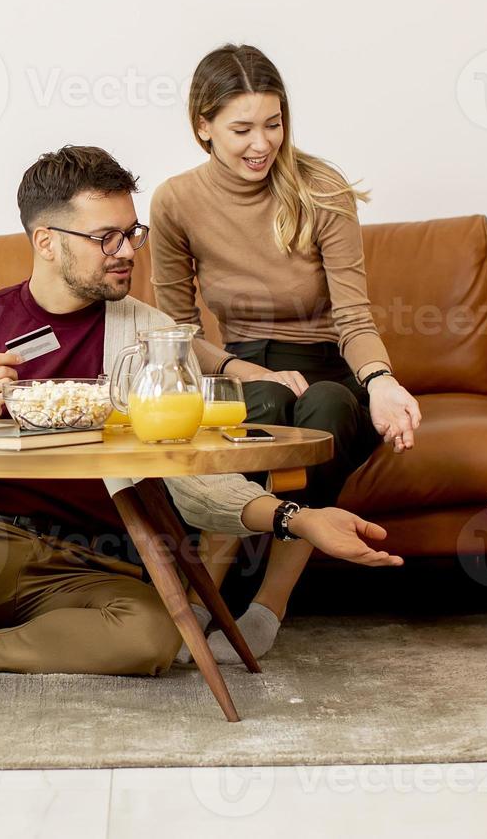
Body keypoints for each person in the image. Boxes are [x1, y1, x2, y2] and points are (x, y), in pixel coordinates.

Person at [0, 145, 402, 678]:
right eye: (106, 237)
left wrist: (296, 517)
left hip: (102, 559)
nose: (128, 250)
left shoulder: (149, 335)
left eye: (132, 233)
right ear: (46, 241)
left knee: (151, 642)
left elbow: (189, 476)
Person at [150, 44, 422, 664]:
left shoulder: (320, 188)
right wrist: (241, 367)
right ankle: (206, 592)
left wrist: (380, 382)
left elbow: (353, 317)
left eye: (272, 124)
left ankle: (267, 606)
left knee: (324, 403)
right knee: (265, 398)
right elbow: (177, 328)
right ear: (203, 126)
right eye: (241, 128)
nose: (261, 143)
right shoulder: (175, 202)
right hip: (239, 366)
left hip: (332, 367)